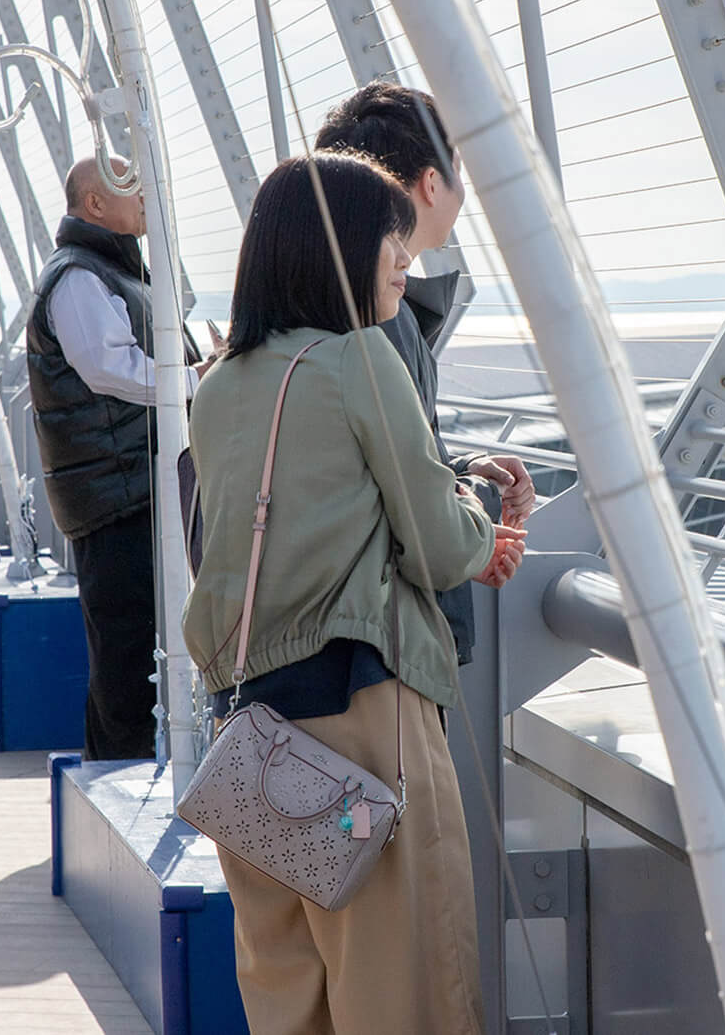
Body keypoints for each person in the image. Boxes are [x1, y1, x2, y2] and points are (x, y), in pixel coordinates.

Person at [184, 153, 522, 1034]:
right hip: (366, 725)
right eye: (393, 245)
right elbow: (441, 545)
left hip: (253, 732)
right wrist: (487, 527)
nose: (405, 266)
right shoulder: (365, 362)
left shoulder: (221, 382)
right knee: (402, 986)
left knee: (290, 990)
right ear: (338, 250)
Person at [315, 82, 536, 665]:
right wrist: (475, 542)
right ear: (431, 184)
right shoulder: (382, 318)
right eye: (456, 173)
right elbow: (398, 505)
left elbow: (361, 463)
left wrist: (460, 468)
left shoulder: (317, 301)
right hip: (387, 642)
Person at [27, 154, 204, 761]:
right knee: (128, 656)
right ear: (95, 204)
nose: (149, 198)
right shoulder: (80, 276)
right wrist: (195, 381)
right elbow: (109, 368)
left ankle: (129, 766)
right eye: (135, 188)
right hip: (117, 499)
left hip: (132, 489)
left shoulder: (112, 271)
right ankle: (116, 776)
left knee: (140, 647)